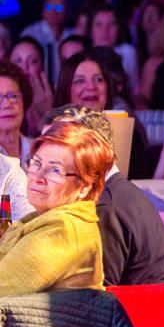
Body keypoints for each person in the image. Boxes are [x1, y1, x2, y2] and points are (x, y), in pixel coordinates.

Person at [42, 106, 164, 286]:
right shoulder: (119, 192)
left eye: (61, 145)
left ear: (93, 150)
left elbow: (99, 292)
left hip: (135, 311)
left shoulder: (104, 205)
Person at [0, 121, 114, 295]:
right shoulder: (38, 218)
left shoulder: (63, 229)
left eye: (54, 170)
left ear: (85, 186)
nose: (38, 176)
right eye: (36, 163)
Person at [20, 0, 72, 85]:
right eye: (49, 7)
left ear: (68, 12)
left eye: (59, 8)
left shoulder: (71, 35)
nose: (53, 11)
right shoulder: (31, 33)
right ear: (42, 10)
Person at [88, 5, 139, 98]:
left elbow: (134, 88)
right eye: (99, 25)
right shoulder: (83, 54)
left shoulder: (128, 52)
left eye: (111, 24)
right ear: (90, 29)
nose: (105, 30)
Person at [10, 37, 55, 135]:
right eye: (18, 61)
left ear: (42, 66)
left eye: (33, 61)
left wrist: (47, 112)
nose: (25, 68)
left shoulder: (54, 95)